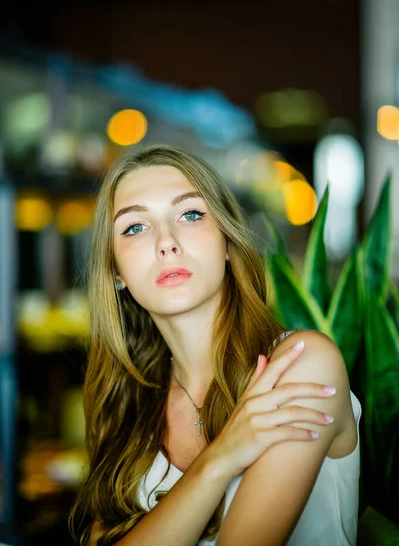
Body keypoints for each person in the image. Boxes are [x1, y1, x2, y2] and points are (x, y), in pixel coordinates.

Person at [69, 143, 361, 546]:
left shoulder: (300, 364)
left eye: (189, 214)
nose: (166, 242)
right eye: (135, 226)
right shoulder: (126, 400)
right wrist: (221, 458)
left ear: (227, 242)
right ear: (115, 271)